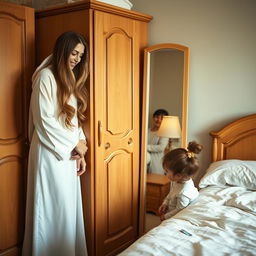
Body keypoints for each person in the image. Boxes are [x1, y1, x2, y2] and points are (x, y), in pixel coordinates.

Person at [22, 31, 89, 256]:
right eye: (73, 53)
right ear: (62, 50)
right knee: (50, 209)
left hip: (68, 154)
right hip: (50, 154)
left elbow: (72, 120)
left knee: (67, 210)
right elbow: (43, 121)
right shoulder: (45, 78)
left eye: (80, 55)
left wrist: (81, 145)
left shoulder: (68, 78)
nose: (77, 59)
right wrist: (75, 146)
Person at [159, 141, 202, 221]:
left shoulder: (184, 194)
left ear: (178, 175)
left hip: (174, 218)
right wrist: (165, 203)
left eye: (167, 171)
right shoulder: (179, 181)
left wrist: (165, 217)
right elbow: (171, 193)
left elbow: (179, 210)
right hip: (170, 209)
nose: (165, 173)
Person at [147, 109, 169, 174]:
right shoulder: (146, 130)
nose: (158, 120)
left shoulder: (164, 132)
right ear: (153, 118)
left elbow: (161, 147)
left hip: (156, 159)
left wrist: (144, 147)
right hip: (143, 158)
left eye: (162, 118)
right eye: (157, 117)